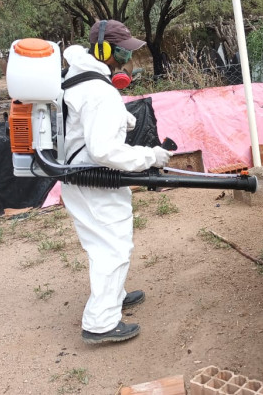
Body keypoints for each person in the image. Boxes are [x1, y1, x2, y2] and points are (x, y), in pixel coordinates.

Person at [61, 19, 173, 344]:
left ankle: (115, 294)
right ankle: (100, 323)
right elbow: (104, 150)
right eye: (123, 51)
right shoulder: (99, 91)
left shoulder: (76, 79)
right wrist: (150, 157)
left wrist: (120, 117)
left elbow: (81, 124)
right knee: (113, 248)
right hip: (94, 180)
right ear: (104, 50)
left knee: (103, 242)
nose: (127, 58)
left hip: (78, 177)